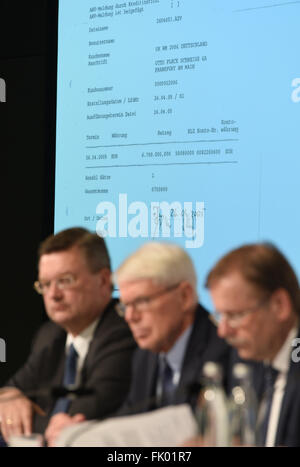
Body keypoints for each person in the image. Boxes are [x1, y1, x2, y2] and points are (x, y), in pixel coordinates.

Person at [45, 241, 230, 446]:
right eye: (125, 306)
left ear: (184, 296)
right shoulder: (146, 355)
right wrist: (82, 430)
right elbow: (131, 421)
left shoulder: (222, 353)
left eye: (142, 301)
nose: (131, 317)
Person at [0, 227, 136, 443]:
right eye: (45, 284)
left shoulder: (123, 332)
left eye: (65, 280)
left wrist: (20, 421)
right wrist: (11, 400)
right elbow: (10, 390)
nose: (53, 294)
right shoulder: (50, 335)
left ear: (103, 281)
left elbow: (80, 420)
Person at [205, 242, 300, 447]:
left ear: (279, 305)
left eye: (235, 316)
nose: (223, 331)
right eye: (220, 316)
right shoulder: (254, 358)